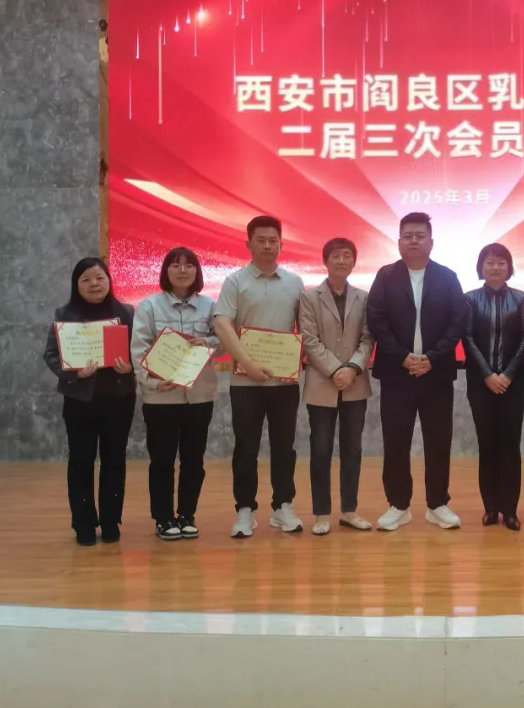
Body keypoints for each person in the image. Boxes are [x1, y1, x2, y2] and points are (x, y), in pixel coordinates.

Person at [366, 212, 468, 531]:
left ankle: (438, 504)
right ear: (398, 242)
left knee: (438, 440)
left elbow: (458, 321)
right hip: (397, 374)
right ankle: (398, 505)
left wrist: (432, 358)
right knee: (396, 441)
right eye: (408, 236)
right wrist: (402, 357)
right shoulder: (385, 276)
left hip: (436, 374)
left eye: (420, 235)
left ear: (431, 242)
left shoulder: (447, 277)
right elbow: (376, 319)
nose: (414, 241)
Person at [214, 216, 305, 538]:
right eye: (261, 240)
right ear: (248, 244)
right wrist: (248, 364)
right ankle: (245, 510)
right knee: (246, 446)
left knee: (284, 446)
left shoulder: (295, 282)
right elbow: (222, 324)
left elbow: (306, 327)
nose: (268, 245)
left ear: (281, 244)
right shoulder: (235, 282)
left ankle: (283, 506)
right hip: (245, 382)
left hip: (284, 382)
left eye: (273, 240)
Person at [43, 258, 136, 546]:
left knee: (114, 461)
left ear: (109, 281)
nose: (94, 284)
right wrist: (74, 372)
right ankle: (83, 523)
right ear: (76, 284)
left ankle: (110, 521)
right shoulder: (64, 315)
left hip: (119, 400)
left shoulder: (126, 313)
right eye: (85, 279)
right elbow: (51, 355)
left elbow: (140, 349)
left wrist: (130, 367)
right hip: (79, 401)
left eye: (99, 278)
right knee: (81, 462)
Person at [130, 247, 221, 541]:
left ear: (197, 271)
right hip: (161, 397)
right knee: (162, 460)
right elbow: (138, 349)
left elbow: (225, 340)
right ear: (165, 271)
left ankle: (187, 515)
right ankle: (163, 517)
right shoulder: (149, 306)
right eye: (175, 265)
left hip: (199, 395)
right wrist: (153, 383)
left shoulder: (211, 306)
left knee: (194, 460)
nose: (183, 270)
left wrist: (208, 342)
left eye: (189, 265)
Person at [299, 237, 375, 536]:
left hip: (355, 382)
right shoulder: (309, 297)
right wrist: (335, 370)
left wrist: (352, 368)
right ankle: (321, 513)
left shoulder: (364, 297)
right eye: (335, 256)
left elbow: (368, 338)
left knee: (352, 449)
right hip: (322, 382)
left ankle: (349, 510)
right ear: (325, 261)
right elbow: (309, 340)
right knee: (320, 449)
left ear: (354, 261)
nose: (341, 261)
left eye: (347, 256)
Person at [462, 243, 524, 531]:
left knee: (510, 445)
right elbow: (467, 338)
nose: (495, 267)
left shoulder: (521, 299)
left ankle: (510, 509)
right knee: (487, 444)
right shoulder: (469, 299)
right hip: (481, 384)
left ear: (509, 267)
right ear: (481, 267)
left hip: (512, 385)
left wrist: (508, 374)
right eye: (489, 262)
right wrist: (488, 374)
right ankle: (490, 508)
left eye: (501, 262)